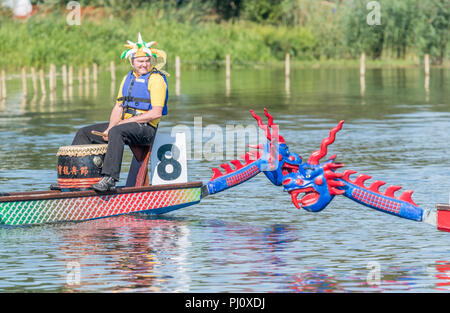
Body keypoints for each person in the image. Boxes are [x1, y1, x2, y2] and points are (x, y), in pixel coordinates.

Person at [65, 33, 169, 192]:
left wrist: (121, 124)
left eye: (147, 61)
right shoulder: (128, 79)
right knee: (84, 133)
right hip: (124, 126)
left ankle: (109, 179)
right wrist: (109, 129)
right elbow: (118, 107)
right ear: (132, 62)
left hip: (146, 129)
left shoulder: (156, 80)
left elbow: (156, 113)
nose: (144, 64)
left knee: (117, 131)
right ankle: (76, 179)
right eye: (140, 61)